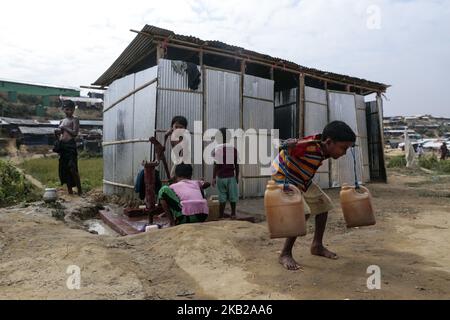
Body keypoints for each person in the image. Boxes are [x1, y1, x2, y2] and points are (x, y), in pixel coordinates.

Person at [271, 120, 356, 271]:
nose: (344, 153)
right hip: (284, 176)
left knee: (324, 205)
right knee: (302, 212)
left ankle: (317, 245)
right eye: (343, 148)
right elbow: (283, 146)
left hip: (302, 179)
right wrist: (289, 145)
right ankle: (285, 253)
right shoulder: (307, 146)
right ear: (329, 142)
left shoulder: (324, 146)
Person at [53, 100, 82, 196]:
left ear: (73, 110)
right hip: (63, 146)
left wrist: (64, 128)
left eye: (70, 110)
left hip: (71, 145)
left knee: (72, 168)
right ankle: (70, 191)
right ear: (63, 110)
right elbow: (60, 133)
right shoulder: (62, 121)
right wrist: (57, 133)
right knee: (64, 169)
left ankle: (80, 190)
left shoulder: (75, 119)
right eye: (66, 109)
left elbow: (75, 133)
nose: (68, 111)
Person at [212, 128, 240, 219]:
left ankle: (220, 216)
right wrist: (237, 176)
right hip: (231, 176)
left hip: (221, 177)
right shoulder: (233, 149)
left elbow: (215, 165)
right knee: (233, 196)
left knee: (222, 196)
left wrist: (213, 178)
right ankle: (233, 214)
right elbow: (236, 164)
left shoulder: (217, 149)